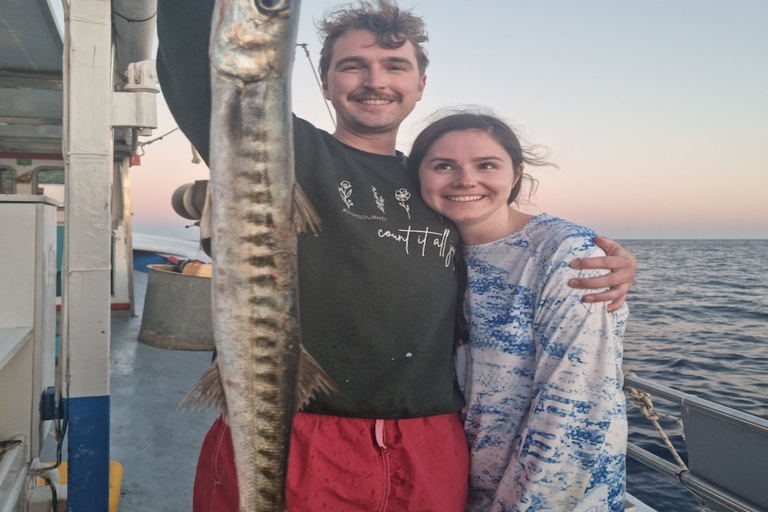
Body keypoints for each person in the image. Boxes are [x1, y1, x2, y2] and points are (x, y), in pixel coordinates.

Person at [155, 1, 636, 510]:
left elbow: (510, 253)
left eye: (395, 65)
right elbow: (195, 59)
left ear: (421, 84)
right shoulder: (287, 151)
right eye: (352, 65)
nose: (374, 80)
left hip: (429, 445)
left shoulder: (438, 185)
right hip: (295, 433)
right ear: (323, 83)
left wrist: (597, 260)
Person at [409, 111, 628, 511]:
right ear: (419, 175)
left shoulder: (566, 255)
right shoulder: (430, 250)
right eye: (443, 166)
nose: (465, 180)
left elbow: (574, 411)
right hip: (461, 488)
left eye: (486, 165)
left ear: (516, 173)